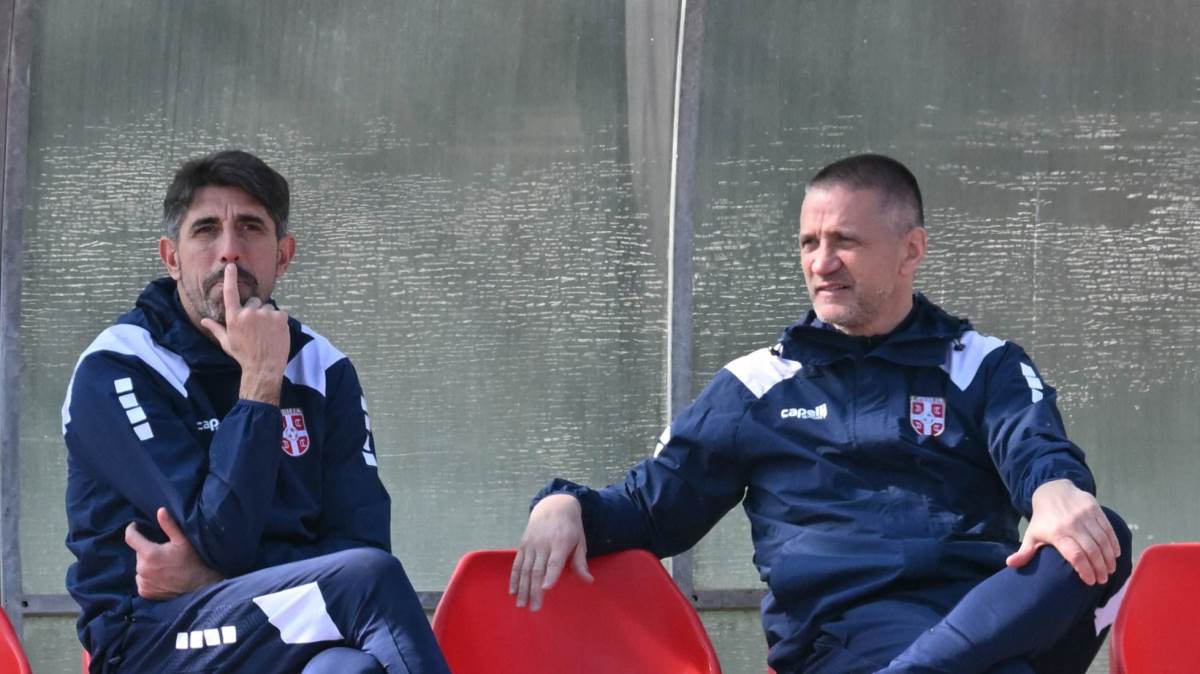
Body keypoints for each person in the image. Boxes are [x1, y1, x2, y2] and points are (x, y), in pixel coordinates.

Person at [510, 154, 1131, 673]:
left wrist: (1054, 488)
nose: (821, 263)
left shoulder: (983, 365)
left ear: (910, 250)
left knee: (1100, 535)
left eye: (845, 242)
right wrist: (565, 504)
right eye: (809, 242)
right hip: (842, 637)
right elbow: (654, 509)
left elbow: (1035, 449)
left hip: (985, 616)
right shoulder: (756, 386)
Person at [63, 150, 449, 674]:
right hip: (149, 638)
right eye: (205, 230)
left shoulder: (323, 368)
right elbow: (220, 535)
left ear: (282, 256)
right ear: (171, 258)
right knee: (369, 583)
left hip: (282, 625)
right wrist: (261, 380)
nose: (229, 251)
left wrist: (211, 578)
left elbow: (361, 544)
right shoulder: (119, 367)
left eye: (250, 228)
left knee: (347, 668)